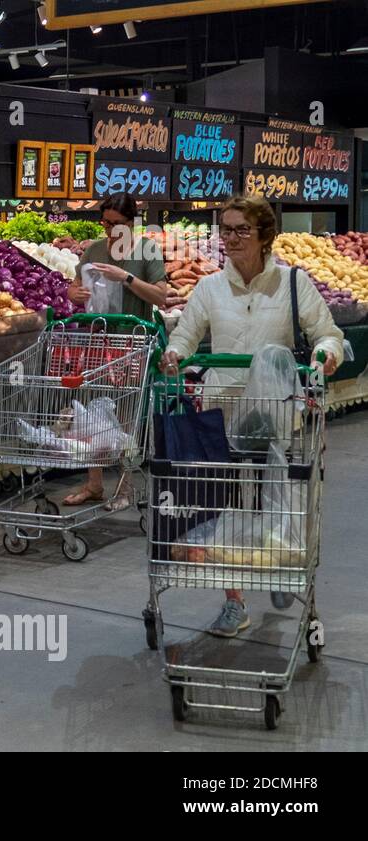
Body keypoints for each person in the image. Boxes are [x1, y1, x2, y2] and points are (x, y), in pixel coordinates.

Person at [160, 195, 342, 638]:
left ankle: (280, 567)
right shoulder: (209, 289)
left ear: (264, 235)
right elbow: (186, 334)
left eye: (242, 230)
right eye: (225, 229)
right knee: (226, 506)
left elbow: (328, 333)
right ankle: (235, 601)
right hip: (224, 413)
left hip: (278, 416)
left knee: (277, 499)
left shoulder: (293, 285)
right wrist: (174, 354)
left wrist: (326, 354)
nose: (231, 239)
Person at [62, 193, 168, 510]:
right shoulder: (95, 249)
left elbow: (161, 296)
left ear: (131, 223)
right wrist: (75, 292)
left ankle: (124, 488)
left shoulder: (147, 251)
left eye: (115, 224)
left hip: (133, 344)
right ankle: (94, 485)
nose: (108, 229)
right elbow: (73, 287)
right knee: (92, 415)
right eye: (105, 222)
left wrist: (127, 277)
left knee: (126, 418)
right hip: (98, 344)